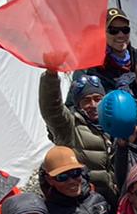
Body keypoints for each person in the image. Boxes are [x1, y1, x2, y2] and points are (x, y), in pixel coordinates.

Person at [39, 69, 118, 204]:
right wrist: (51, 76)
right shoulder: (70, 127)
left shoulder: (116, 123)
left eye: (97, 99)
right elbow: (52, 110)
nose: (93, 105)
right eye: (86, 101)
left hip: (118, 198)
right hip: (91, 204)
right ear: (78, 104)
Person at [37, 146, 111, 214]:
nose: (71, 181)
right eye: (62, 177)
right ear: (50, 180)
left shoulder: (97, 196)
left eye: (75, 173)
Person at [77, 8, 137, 92]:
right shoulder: (89, 67)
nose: (121, 35)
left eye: (125, 30)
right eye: (113, 31)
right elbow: (73, 103)